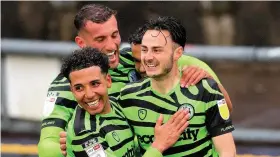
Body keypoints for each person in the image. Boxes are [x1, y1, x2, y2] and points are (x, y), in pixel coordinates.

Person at [38, 4, 231, 157]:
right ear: (81, 43)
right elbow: (48, 143)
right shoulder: (64, 85)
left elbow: (172, 57)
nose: (111, 45)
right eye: (100, 39)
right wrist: (60, 146)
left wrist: (200, 73)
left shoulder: (131, 58)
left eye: (114, 35)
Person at [118, 16, 236, 157]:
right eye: (145, 50)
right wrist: (159, 145)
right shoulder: (126, 97)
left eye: (157, 50)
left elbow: (228, 152)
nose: (148, 58)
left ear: (177, 53)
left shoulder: (205, 88)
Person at [60, 47, 190, 156]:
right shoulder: (84, 133)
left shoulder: (117, 104)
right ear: (72, 90)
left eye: (95, 84)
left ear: (108, 81)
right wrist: (158, 145)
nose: (89, 95)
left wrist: (193, 71)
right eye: (79, 88)